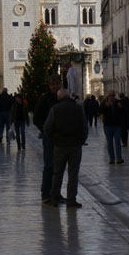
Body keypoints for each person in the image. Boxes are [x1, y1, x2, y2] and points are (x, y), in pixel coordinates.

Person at [44, 89, 88, 208]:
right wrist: (82, 140)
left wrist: (54, 139)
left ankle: (54, 198)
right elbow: (84, 126)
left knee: (57, 172)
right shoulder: (78, 108)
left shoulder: (55, 109)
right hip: (75, 146)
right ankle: (71, 200)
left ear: (59, 98)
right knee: (73, 174)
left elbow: (47, 128)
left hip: (59, 146)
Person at [33, 74, 62, 204]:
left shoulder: (63, 98)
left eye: (57, 84)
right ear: (49, 86)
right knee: (49, 165)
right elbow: (36, 118)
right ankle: (45, 193)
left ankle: (56, 193)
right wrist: (45, 130)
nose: (55, 86)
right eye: (53, 84)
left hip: (62, 137)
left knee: (59, 166)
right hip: (50, 137)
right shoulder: (44, 99)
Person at [99, 90, 126, 164]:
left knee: (117, 141)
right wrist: (105, 106)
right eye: (110, 95)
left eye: (113, 95)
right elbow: (100, 111)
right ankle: (111, 158)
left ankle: (119, 158)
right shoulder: (104, 102)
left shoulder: (118, 102)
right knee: (110, 143)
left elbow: (123, 112)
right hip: (108, 126)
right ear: (108, 96)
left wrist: (121, 107)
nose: (112, 97)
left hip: (117, 125)